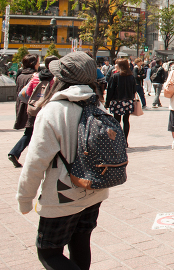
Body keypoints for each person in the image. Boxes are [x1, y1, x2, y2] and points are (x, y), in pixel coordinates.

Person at [16, 51, 107, 270]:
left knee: (49, 252)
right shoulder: (98, 105)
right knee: (80, 243)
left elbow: (36, 161)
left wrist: (25, 198)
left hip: (62, 194)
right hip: (94, 189)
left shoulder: (54, 110)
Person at [8, 54, 40, 168]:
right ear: (33, 63)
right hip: (31, 107)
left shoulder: (20, 75)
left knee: (31, 132)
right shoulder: (34, 76)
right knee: (30, 132)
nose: (38, 64)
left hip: (21, 106)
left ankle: (21, 155)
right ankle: (15, 152)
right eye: (38, 61)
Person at [105, 58, 136, 145]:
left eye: (116, 64)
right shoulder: (131, 76)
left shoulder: (115, 76)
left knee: (116, 121)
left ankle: (117, 140)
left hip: (117, 101)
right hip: (128, 101)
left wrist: (107, 102)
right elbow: (134, 90)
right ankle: (125, 141)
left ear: (120, 66)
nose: (115, 66)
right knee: (126, 121)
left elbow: (110, 90)